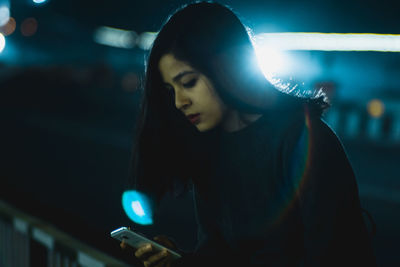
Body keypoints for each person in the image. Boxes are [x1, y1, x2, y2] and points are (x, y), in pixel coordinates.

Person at [126, 2, 377, 266]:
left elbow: (338, 255)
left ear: (228, 67)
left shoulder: (304, 141)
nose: (179, 102)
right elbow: (219, 254)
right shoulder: (210, 148)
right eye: (170, 90)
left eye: (188, 82)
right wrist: (180, 261)